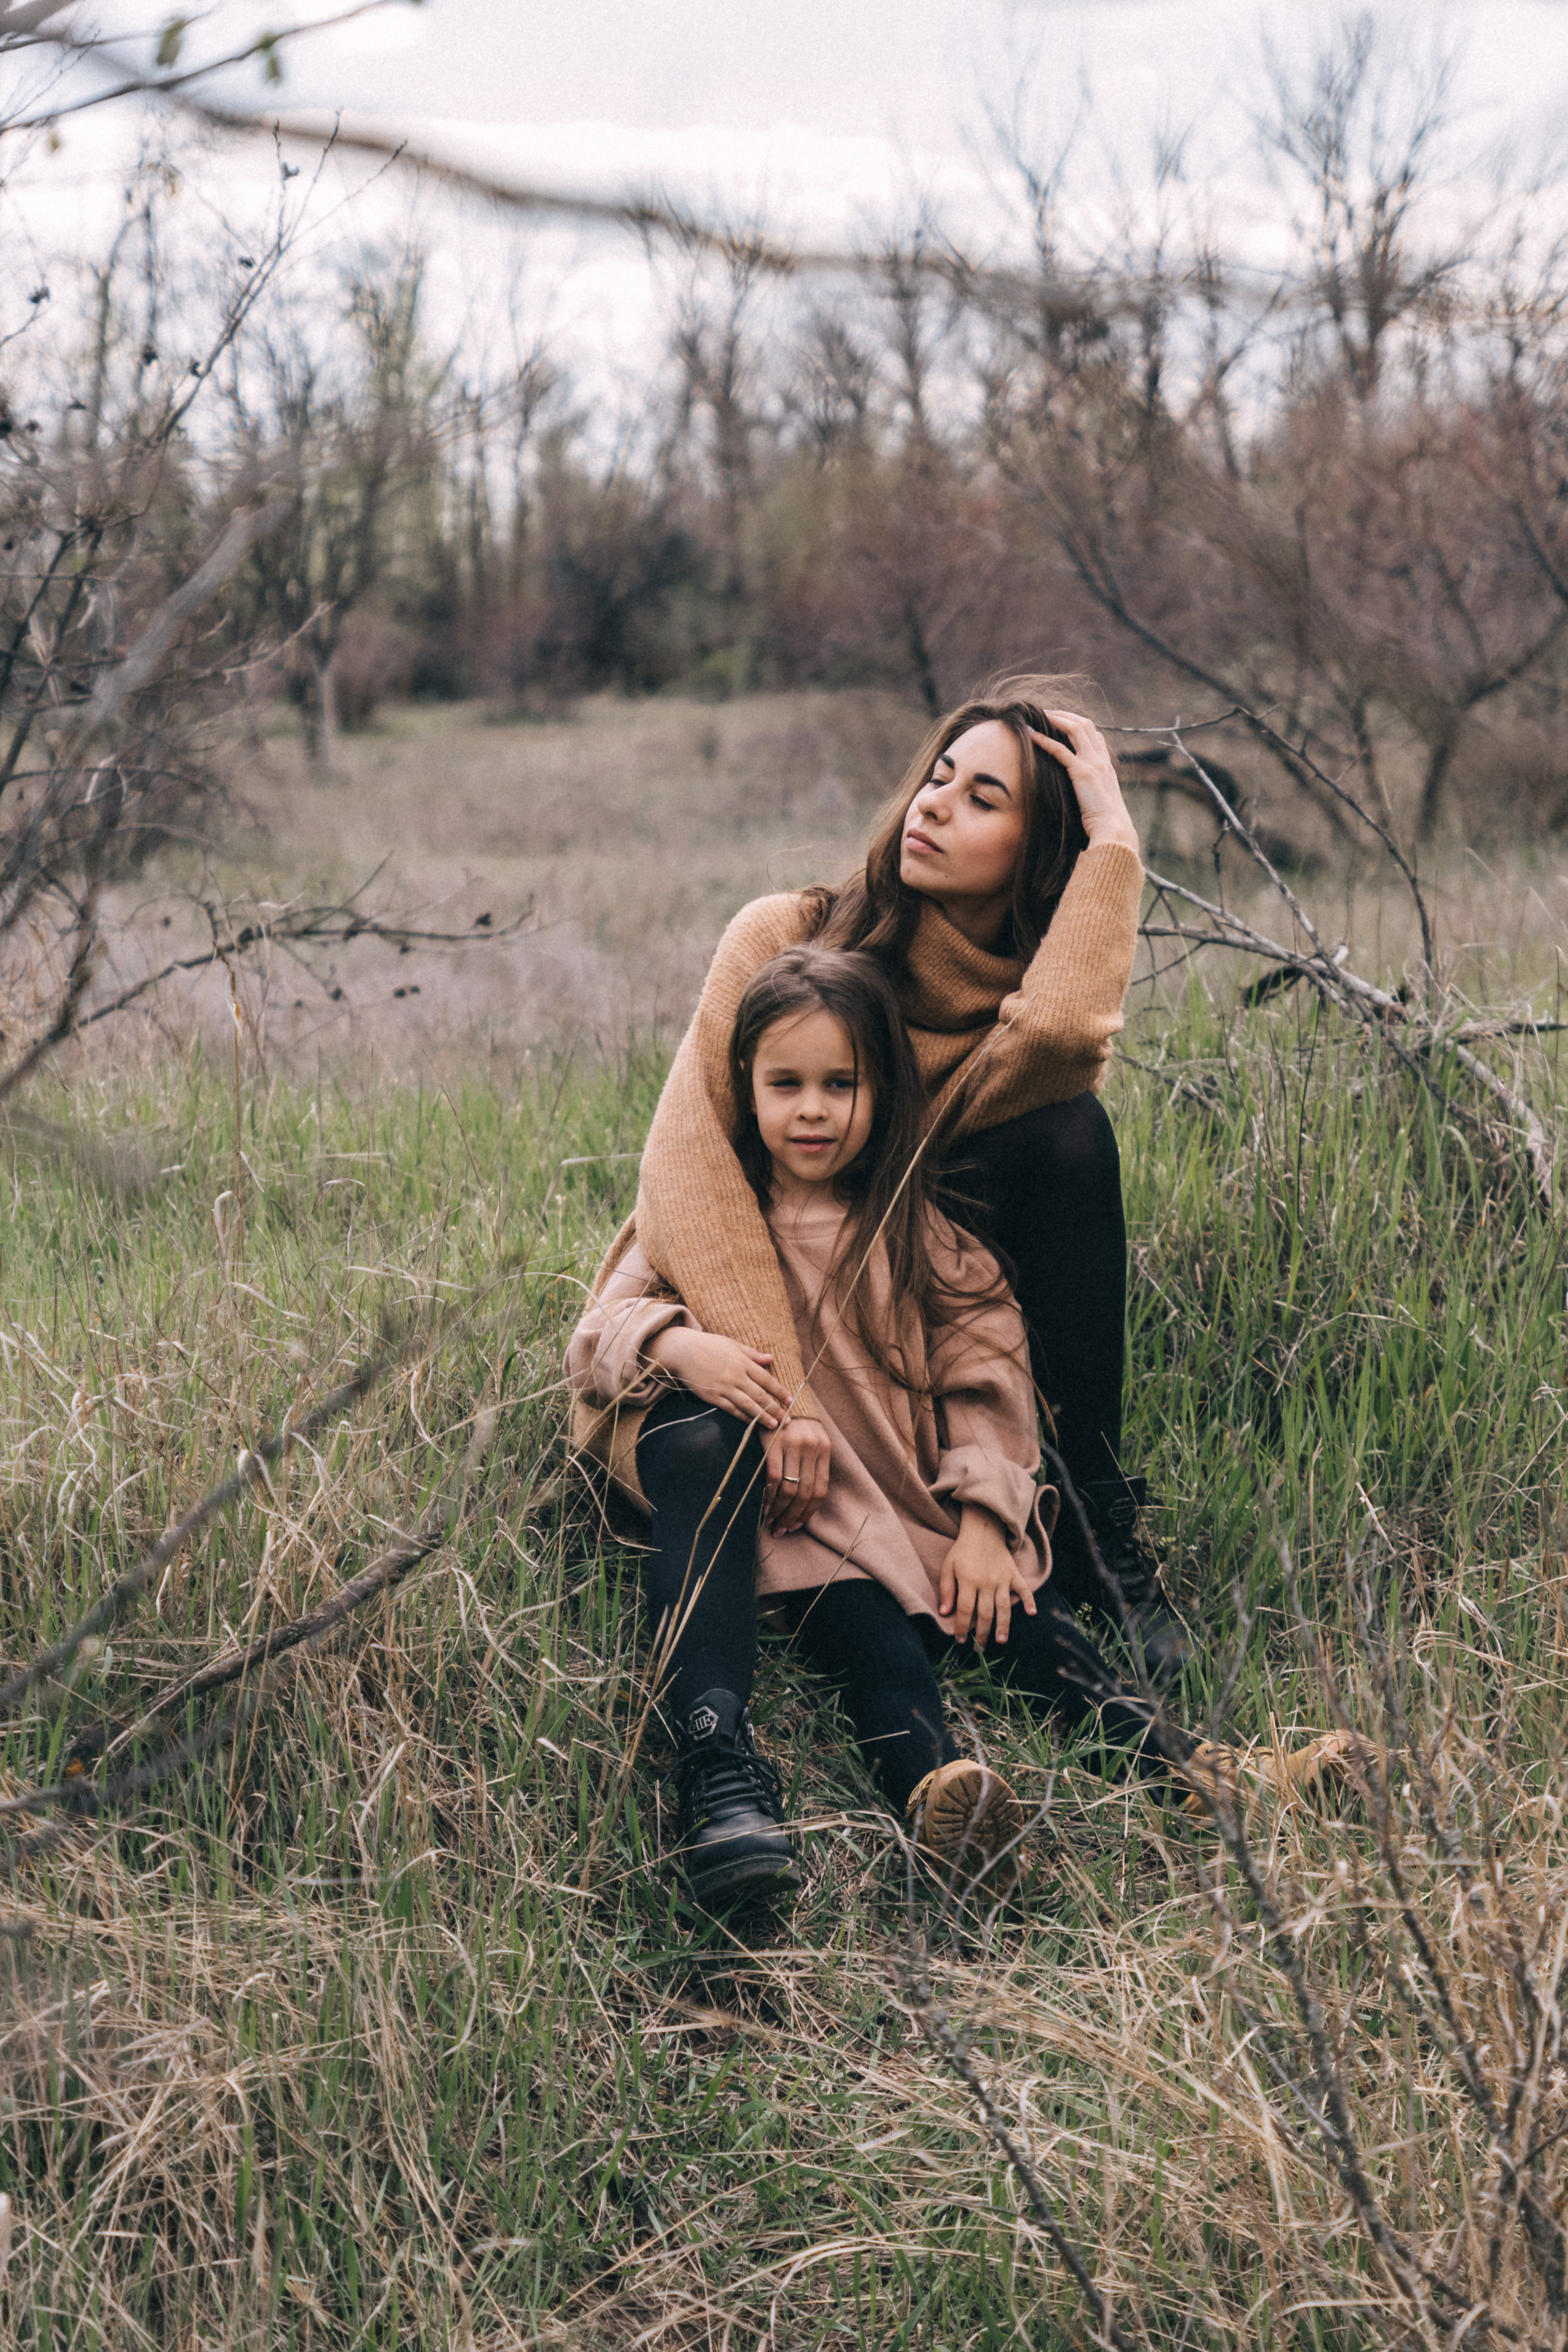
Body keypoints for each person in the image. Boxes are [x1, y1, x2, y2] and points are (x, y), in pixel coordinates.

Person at [567, 948, 1324, 1907]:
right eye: (785, 1084)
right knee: (879, 1662)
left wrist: (983, 1520)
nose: (811, 1110)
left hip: (924, 1507)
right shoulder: (707, 1220)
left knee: (1040, 1636)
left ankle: (1207, 1774)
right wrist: (680, 1348)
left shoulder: (910, 1223)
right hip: (815, 1535)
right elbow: (595, 1334)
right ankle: (942, 1804)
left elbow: (989, 1369)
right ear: (741, 1089)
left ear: (882, 1092)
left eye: (841, 1085)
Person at [578, 674, 1185, 1679]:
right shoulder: (786, 937)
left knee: (1072, 1134)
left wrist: (1114, 841)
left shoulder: (1008, 1024)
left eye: (983, 799)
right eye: (938, 778)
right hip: (743, 1317)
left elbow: (1069, 1035)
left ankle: (1089, 1522)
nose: (933, 804)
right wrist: (789, 1407)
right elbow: (683, 1169)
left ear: (1040, 859)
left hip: (895, 1305)